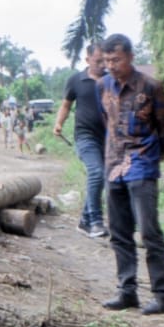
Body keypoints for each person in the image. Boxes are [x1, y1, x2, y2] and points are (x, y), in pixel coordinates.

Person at [98, 33, 164, 315]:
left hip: (142, 165)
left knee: (148, 231)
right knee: (119, 232)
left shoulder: (150, 86)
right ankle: (127, 291)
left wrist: (156, 155)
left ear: (130, 57)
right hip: (113, 166)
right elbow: (105, 121)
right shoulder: (103, 86)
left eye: (116, 59)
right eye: (106, 60)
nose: (111, 65)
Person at [54, 42, 108, 238]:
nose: (103, 64)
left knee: (103, 177)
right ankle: (95, 221)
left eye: (105, 60)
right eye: (98, 60)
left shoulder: (111, 80)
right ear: (87, 60)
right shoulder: (76, 80)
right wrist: (59, 123)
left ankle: (84, 221)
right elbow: (66, 105)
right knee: (96, 172)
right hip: (85, 136)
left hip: (108, 139)